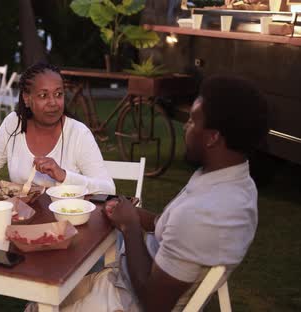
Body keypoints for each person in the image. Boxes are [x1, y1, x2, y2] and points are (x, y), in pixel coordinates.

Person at [25, 75, 269, 312]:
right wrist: (130, 212)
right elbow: (172, 228)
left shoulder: (203, 214)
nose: (186, 126)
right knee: (39, 299)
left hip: (126, 301)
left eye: (193, 121)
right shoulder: (233, 182)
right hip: (122, 283)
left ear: (213, 137)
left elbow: (154, 304)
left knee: (40, 302)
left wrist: (130, 226)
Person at [0, 62, 115, 195]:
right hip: (21, 219)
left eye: (58, 94)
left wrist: (63, 175)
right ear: (26, 98)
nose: (53, 103)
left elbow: (108, 188)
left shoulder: (78, 133)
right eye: (43, 95)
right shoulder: (13, 124)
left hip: (65, 221)